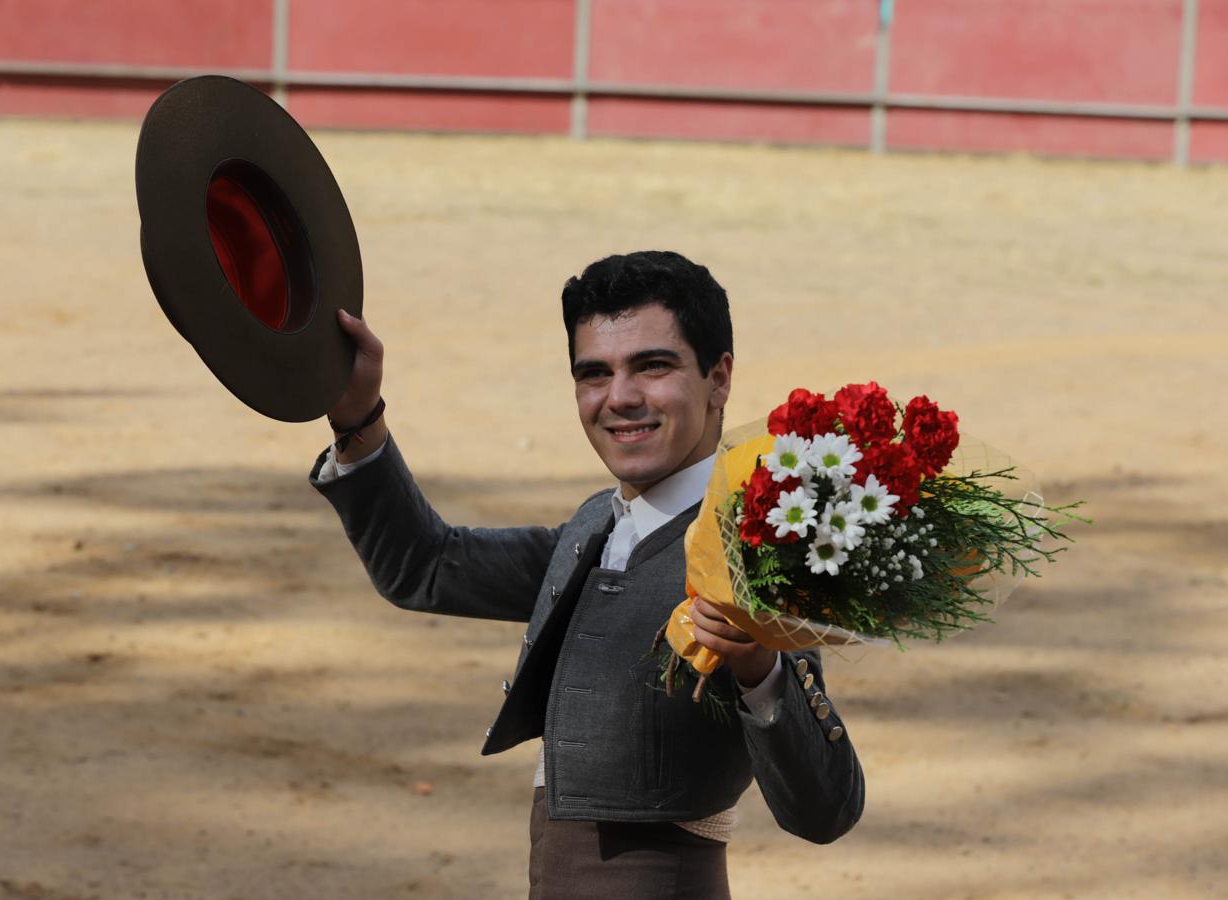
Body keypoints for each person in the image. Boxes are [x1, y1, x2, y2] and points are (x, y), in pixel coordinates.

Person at [309, 250, 863, 898]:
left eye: (652, 366)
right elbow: (426, 565)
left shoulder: (755, 548)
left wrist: (759, 671)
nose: (620, 398)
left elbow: (827, 807)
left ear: (719, 378)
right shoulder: (596, 527)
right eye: (593, 374)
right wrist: (358, 415)